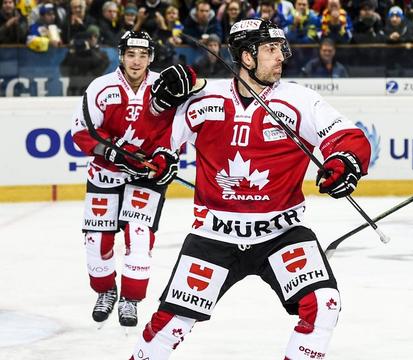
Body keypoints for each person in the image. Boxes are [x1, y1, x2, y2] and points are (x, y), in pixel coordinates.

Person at [129, 19, 371, 360]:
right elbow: (148, 147)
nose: (280, 58)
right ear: (245, 57)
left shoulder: (299, 100)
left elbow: (348, 138)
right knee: (169, 323)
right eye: (270, 50)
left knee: (323, 306)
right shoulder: (203, 99)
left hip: (281, 232)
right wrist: (158, 106)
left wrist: (345, 162)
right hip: (215, 235)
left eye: (280, 49)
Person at [70, 31, 181, 328]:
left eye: (143, 55)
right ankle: (105, 292)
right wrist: (116, 153)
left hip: (146, 177)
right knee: (97, 241)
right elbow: (82, 133)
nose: (136, 61)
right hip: (105, 174)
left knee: (140, 237)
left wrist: (164, 158)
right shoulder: (100, 87)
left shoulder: (163, 86)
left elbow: (177, 131)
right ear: (121, 55)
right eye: (131, 54)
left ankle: (130, 299)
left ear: (151, 58)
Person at [60, 26, 109, 95]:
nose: (92, 39)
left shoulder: (102, 54)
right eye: (89, 37)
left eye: (95, 36)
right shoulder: (74, 53)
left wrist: (89, 51)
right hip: (74, 90)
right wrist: (72, 51)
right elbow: (64, 71)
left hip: (93, 91)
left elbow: (99, 69)